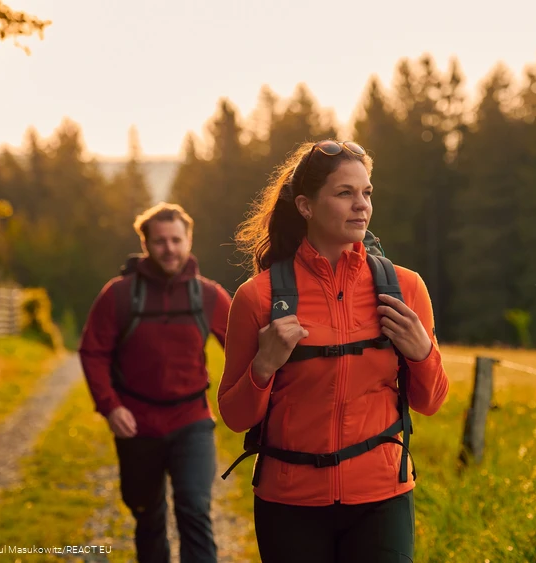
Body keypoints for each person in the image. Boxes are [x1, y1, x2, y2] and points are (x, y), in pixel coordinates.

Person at [217, 140, 449, 562]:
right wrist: (263, 366)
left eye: (367, 192)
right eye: (345, 193)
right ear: (305, 206)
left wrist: (421, 353)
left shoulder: (405, 288)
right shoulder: (257, 297)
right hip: (290, 502)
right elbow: (234, 416)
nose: (361, 205)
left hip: (382, 495)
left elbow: (431, 403)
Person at [79, 202, 231, 563]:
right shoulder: (118, 294)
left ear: (189, 240)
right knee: (148, 517)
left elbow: (245, 349)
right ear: (145, 244)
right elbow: (92, 352)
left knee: (195, 510)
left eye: (176, 240)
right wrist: (110, 406)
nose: (170, 249)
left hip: (192, 422)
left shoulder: (208, 295)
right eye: (160, 241)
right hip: (137, 425)